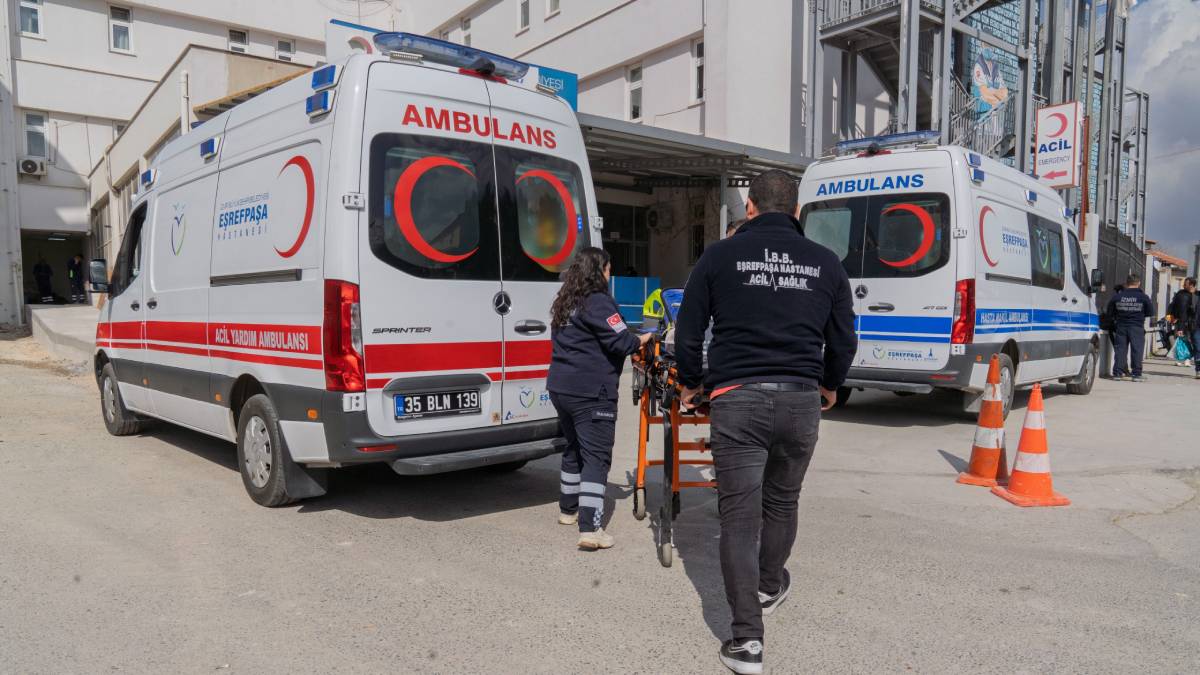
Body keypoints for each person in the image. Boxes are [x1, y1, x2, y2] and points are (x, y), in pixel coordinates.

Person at [674, 170, 856, 674]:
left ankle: (747, 642)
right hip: (800, 400)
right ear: (796, 212)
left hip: (737, 399)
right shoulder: (826, 264)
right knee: (782, 501)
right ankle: (769, 584)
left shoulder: (719, 256)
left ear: (749, 207)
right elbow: (843, 339)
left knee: (737, 517)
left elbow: (688, 332)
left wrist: (691, 384)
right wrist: (830, 383)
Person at [546, 247, 652, 550]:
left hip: (561, 388)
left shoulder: (565, 302)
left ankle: (568, 510)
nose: (610, 274)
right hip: (591, 391)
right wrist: (645, 338)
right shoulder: (599, 302)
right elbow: (622, 341)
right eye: (608, 269)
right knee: (597, 457)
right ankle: (590, 528)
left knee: (574, 447)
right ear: (599, 271)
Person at [1106, 273, 1155, 382]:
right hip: (1137, 326)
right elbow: (1150, 312)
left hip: (1121, 326)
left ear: (1127, 283)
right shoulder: (1143, 297)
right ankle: (1136, 374)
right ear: (1139, 283)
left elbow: (1110, 313)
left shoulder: (1117, 297)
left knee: (1120, 350)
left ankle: (1118, 373)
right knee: (1137, 350)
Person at [1168, 277, 1197, 373]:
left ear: (1192, 285)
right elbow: (1173, 306)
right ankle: (1180, 359)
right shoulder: (1180, 294)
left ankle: (1187, 359)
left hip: (1192, 322)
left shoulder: (1196, 295)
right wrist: (1170, 316)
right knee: (1180, 340)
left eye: (1186, 284)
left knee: (1189, 341)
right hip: (1180, 320)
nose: (1183, 285)